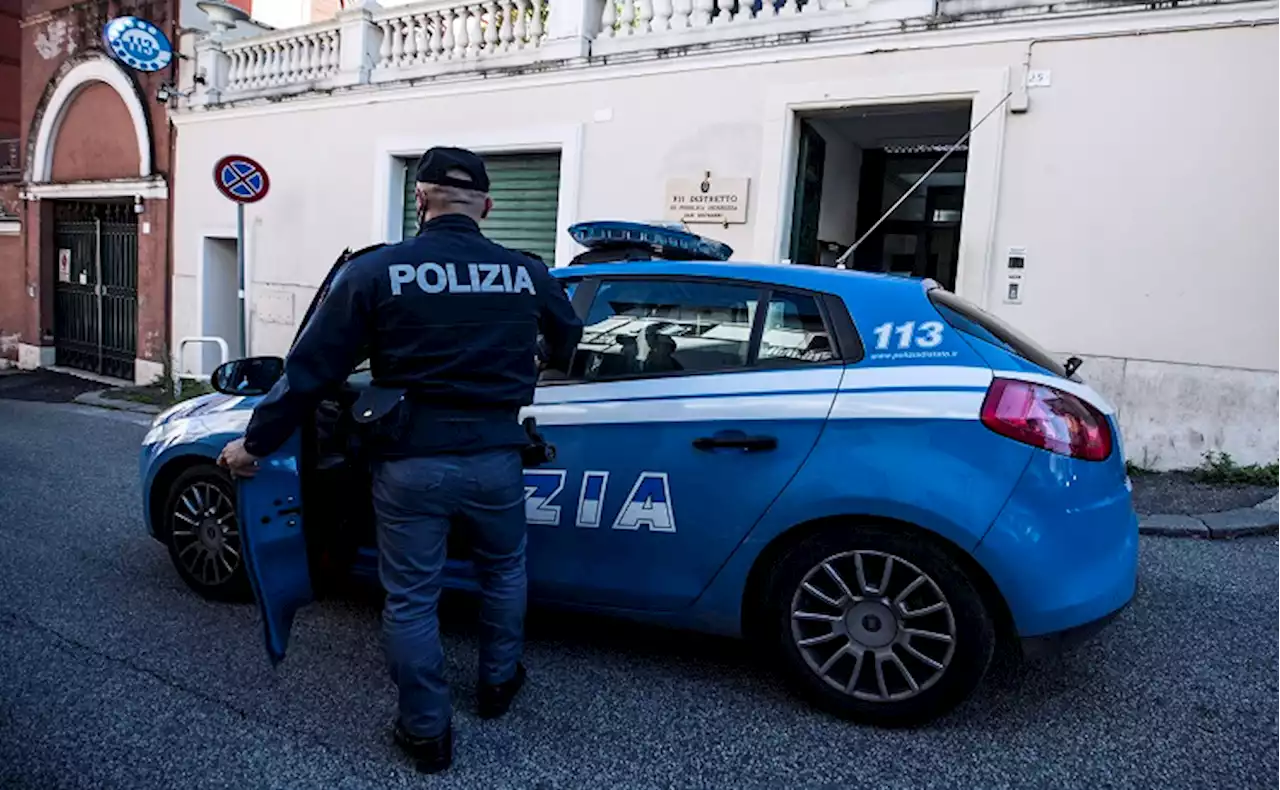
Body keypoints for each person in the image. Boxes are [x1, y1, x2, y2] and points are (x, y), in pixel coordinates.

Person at [216, 146, 584, 774]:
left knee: (412, 596)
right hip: (497, 456)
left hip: (411, 462)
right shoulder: (527, 271)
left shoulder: (378, 271)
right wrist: (537, 360)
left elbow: (310, 373)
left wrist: (255, 444)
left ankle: (427, 733)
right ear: (487, 206)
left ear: (420, 199)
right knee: (504, 572)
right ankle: (498, 684)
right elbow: (569, 338)